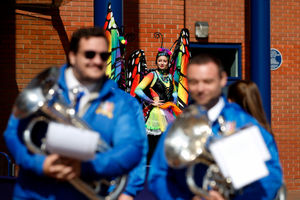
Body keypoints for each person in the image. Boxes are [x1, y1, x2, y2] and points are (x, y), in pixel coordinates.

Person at [4, 27, 146, 200]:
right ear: (72, 56)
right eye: (89, 54)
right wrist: (41, 164)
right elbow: (14, 133)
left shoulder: (122, 103)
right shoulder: (45, 89)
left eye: (104, 56)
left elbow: (131, 149)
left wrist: (87, 167)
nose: (97, 61)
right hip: (34, 194)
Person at [148, 54, 283, 200]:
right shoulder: (177, 125)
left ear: (223, 79)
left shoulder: (242, 122)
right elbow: (158, 175)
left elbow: (271, 174)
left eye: (207, 81)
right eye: (194, 82)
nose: (200, 88)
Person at [134, 47, 181, 162]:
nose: (162, 63)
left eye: (165, 61)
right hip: (156, 113)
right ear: (156, 61)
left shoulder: (170, 77)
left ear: (168, 63)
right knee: (155, 141)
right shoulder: (152, 75)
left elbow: (174, 92)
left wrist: (173, 102)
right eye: (160, 60)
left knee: (167, 141)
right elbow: (138, 89)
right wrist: (150, 101)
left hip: (169, 113)